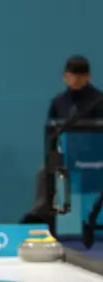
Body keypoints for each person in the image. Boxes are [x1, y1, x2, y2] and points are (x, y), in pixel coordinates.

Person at [21, 55, 103, 224]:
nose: (77, 79)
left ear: (89, 77)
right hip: (68, 158)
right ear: (65, 77)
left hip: (96, 158)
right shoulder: (58, 102)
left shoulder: (100, 101)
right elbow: (52, 133)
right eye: (72, 75)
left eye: (81, 75)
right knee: (45, 171)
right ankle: (41, 214)